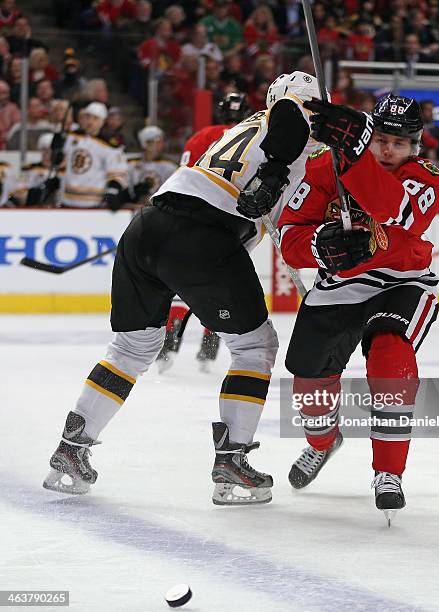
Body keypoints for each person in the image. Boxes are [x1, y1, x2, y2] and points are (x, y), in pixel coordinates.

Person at [43, 71, 319, 507]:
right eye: (314, 107)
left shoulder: (243, 130)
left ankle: (71, 449)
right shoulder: (293, 128)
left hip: (148, 225)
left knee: (131, 348)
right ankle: (232, 460)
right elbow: (291, 118)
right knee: (255, 346)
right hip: (203, 235)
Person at [278, 94, 439, 524]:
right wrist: (319, 246)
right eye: (381, 140)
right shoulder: (322, 167)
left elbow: (395, 212)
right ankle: (322, 442)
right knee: (308, 376)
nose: (390, 150)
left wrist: (356, 155)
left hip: (402, 281)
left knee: (391, 355)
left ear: (416, 147)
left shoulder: (429, 179)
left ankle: (388, 472)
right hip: (342, 284)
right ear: (368, 136)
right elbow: (289, 236)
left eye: (401, 143)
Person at [158, 92, 252, 375]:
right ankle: (208, 348)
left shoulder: (200, 137)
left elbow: (183, 175)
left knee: (183, 281)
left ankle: (170, 343)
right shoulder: (255, 136)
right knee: (221, 283)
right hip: (235, 221)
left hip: (193, 217)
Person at [48, 102, 128, 209]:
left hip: (93, 204)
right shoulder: (72, 137)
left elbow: (118, 172)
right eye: (87, 117)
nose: (90, 122)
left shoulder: (109, 145)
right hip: (67, 200)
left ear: (102, 121)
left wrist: (113, 190)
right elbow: (61, 162)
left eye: (95, 118)